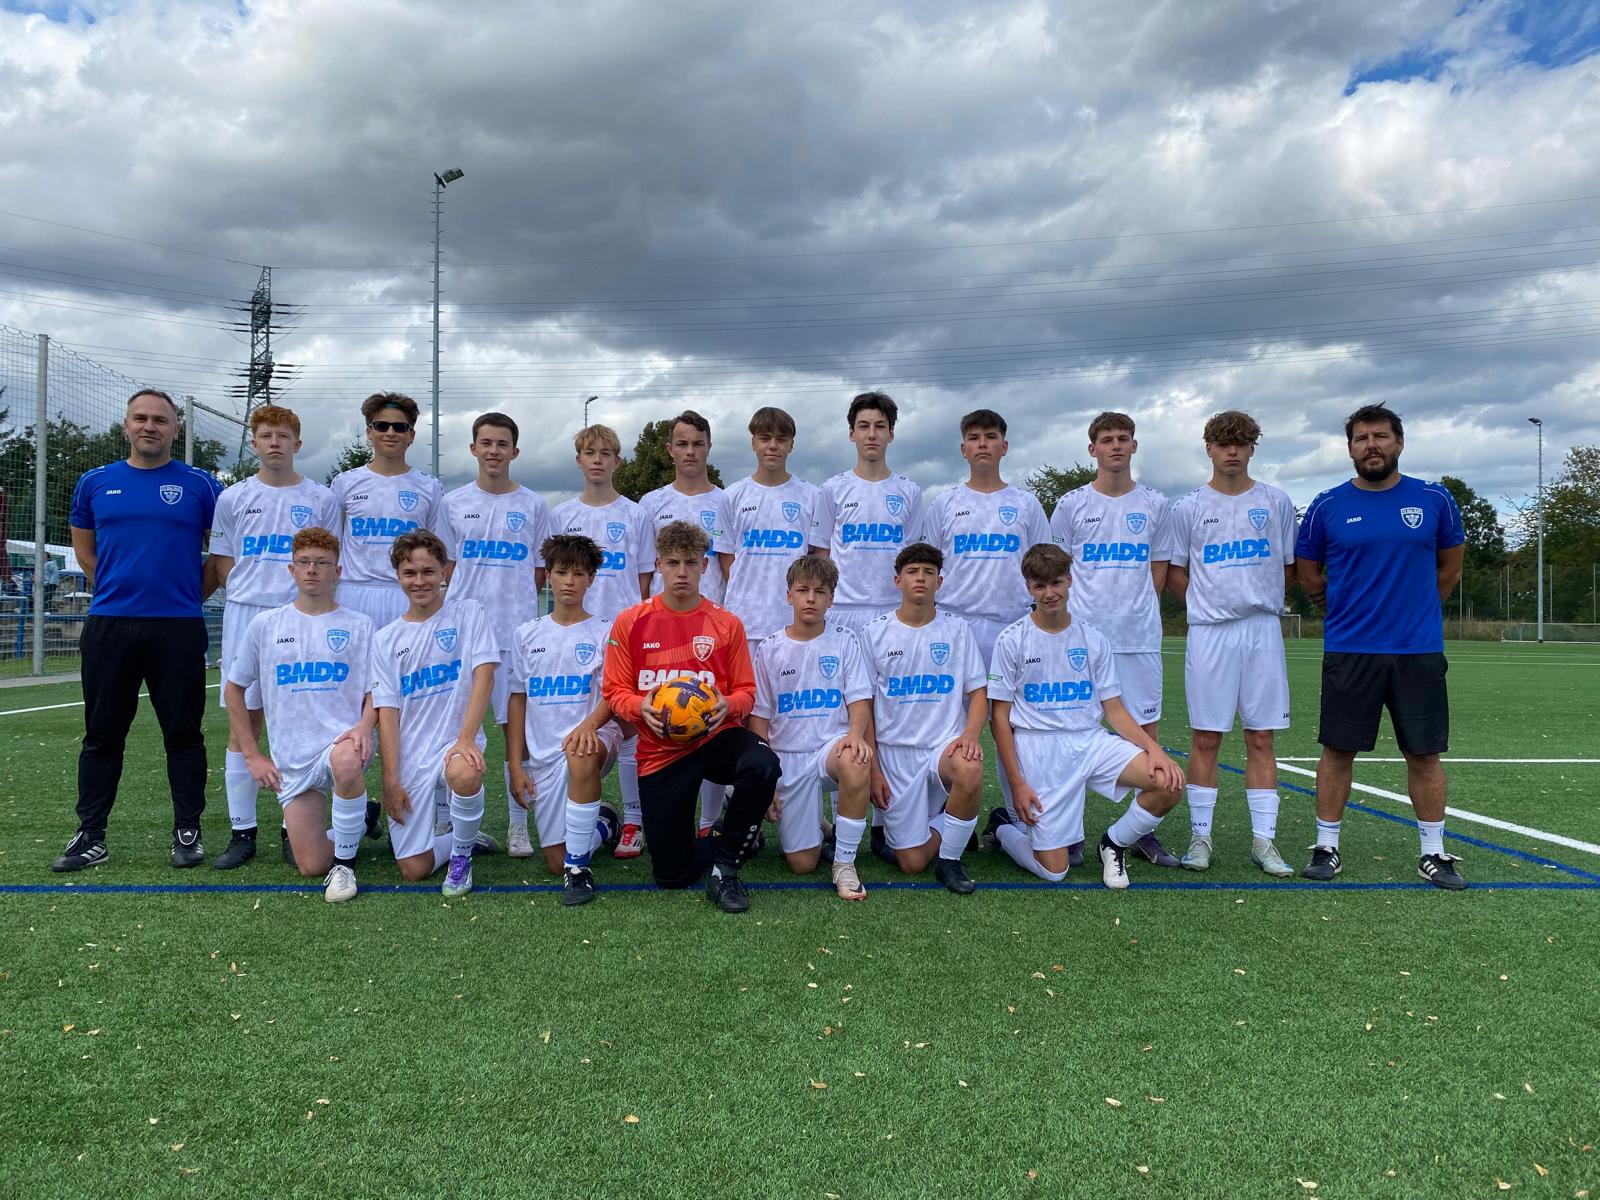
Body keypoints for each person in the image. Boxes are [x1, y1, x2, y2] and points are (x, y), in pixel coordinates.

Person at [1295, 404, 1467, 889]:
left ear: (1399, 443)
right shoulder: (1327, 505)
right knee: (1337, 750)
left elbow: (1450, 568)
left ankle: (1433, 852)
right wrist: (1334, 607)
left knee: (1424, 754)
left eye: (1381, 436)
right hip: (1351, 649)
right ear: (1350, 448)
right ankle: (1326, 847)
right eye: (1361, 438)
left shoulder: (1434, 499)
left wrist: (1417, 610)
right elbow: (1308, 572)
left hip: (1418, 650)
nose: (1371, 445)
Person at [53, 388, 224, 872]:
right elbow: (85, 551)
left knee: (184, 734)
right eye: (141, 418)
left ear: (175, 429)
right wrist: (114, 590)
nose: (150, 426)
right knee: (101, 735)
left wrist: (189, 597)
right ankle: (91, 835)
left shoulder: (201, 484)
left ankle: (187, 830)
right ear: (126, 425)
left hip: (178, 627)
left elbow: (221, 554)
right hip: (110, 625)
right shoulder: (94, 482)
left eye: (160, 420)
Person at [598, 520, 780, 914]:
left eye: (691, 563)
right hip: (661, 751)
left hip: (716, 737)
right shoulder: (630, 622)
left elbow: (747, 692)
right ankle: (734, 834)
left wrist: (727, 705)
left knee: (763, 763)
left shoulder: (726, 623)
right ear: (658, 565)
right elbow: (614, 691)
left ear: (705, 566)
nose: (682, 572)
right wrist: (640, 708)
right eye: (673, 563)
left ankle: (726, 869)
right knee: (671, 874)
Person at [985, 545, 1187, 890]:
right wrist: (1017, 783)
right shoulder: (1011, 640)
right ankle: (1003, 826)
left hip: (1090, 741)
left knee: (1169, 782)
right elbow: (999, 718)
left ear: (1069, 580)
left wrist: (1155, 750)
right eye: (1040, 586)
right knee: (1054, 870)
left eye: (1056, 583)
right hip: (1038, 749)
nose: (1049, 593)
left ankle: (1113, 843)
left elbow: (1115, 710)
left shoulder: (1092, 638)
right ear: (1028, 587)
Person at [205, 404, 343, 870]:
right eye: (266, 435)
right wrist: (253, 592)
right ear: (254, 443)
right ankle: (242, 832)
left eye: (283, 436)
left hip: (301, 618)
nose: (275, 443)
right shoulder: (233, 498)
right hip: (247, 615)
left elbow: (327, 557)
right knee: (243, 721)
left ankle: (293, 828)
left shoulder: (321, 497)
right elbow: (223, 562)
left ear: (297, 444)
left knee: (297, 720)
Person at [1167, 411, 1298, 878]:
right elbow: (1175, 572)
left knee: (1261, 736)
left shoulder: (1276, 501)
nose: (1232, 451)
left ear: (1252, 449)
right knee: (1206, 736)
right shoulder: (1187, 507)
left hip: (1261, 630)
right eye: (1223, 443)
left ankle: (1264, 842)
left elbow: (1287, 567)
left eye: (1241, 444)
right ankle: (1200, 838)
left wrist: (1254, 600)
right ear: (1209, 448)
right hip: (1210, 633)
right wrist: (1207, 603)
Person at [1049, 410, 1181, 869]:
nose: (1116, 446)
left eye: (1123, 438)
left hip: (1138, 638)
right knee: (1072, 731)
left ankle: (1138, 833)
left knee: (1146, 733)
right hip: (1081, 640)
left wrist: (1133, 610)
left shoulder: (1156, 504)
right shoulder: (1071, 505)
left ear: (1134, 446)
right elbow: (1057, 572)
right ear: (1093, 449)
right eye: (1107, 440)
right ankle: (1068, 833)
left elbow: (1158, 572)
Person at [222, 527, 376, 902]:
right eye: (304, 562)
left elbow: (377, 690)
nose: (312, 570)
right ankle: (362, 818)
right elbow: (234, 688)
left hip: (341, 745)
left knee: (345, 761)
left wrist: (363, 726)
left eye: (322, 563)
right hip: (294, 760)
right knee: (311, 864)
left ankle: (345, 868)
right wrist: (253, 756)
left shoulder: (360, 625)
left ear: (337, 572)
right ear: (291, 570)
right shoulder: (266, 625)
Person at [442, 412, 552, 857]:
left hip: (513, 633)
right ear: (473, 448)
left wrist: (515, 607)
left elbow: (540, 571)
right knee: (452, 728)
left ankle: (517, 827)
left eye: (502, 444)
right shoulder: (452, 503)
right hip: (463, 636)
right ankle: (448, 823)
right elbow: (448, 568)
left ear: (514, 451)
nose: (493, 451)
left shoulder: (534, 505)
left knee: (515, 734)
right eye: (485, 443)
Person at [370, 530, 499, 896]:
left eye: (428, 571)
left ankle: (461, 858)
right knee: (414, 869)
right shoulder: (385, 639)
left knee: (464, 771)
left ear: (444, 571)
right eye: (409, 573)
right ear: (398, 576)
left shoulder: (469, 613)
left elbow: (485, 675)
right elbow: (387, 713)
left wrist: (466, 738)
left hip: (454, 742)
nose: (419, 581)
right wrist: (390, 780)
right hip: (411, 754)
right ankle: (464, 838)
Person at [546, 424, 654, 858]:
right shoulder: (561, 514)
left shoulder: (636, 514)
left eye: (605, 453)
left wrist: (628, 623)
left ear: (617, 461)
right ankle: (586, 807)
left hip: (623, 632)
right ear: (578, 460)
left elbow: (643, 578)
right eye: (589, 453)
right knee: (580, 715)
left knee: (628, 724)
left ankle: (633, 821)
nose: (597, 460)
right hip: (578, 630)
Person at [858, 542, 987, 895]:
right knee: (911, 863)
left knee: (970, 768)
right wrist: (874, 770)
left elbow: (978, 693)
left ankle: (950, 859)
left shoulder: (957, 630)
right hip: (896, 754)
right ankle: (950, 821)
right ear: (897, 580)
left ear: (939, 582)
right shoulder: (874, 632)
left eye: (929, 573)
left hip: (943, 746)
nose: (921, 578)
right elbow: (864, 705)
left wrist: (970, 736)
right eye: (913, 572)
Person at [748, 555, 876, 900]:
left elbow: (859, 699)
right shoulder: (770, 648)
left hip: (829, 748)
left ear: (831, 599)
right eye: (803, 590)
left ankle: (845, 864)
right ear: (789, 595)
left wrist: (855, 735)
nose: (810, 598)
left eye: (820, 592)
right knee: (802, 863)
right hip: (787, 758)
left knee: (855, 758)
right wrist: (765, 778)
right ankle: (816, 823)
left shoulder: (845, 640)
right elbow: (759, 718)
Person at [504, 534, 623, 899]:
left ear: (591, 579)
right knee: (554, 860)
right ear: (548, 576)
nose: (569, 581)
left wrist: (588, 726)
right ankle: (605, 823)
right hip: (545, 754)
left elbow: (612, 695)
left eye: (578, 573)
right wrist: (516, 765)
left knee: (580, 751)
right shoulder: (526, 634)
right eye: (561, 572)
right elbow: (518, 700)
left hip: (595, 736)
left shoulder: (606, 631)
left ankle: (579, 870)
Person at [639, 410, 736, 834]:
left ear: (709, 447)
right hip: (664, 628)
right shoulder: (651, 504)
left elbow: (731, 567)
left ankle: (709, 821)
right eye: (682, 444)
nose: (690, 451)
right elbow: (646, 571)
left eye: (698, 443)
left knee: (709, 714)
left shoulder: (726, 501)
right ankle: (640, 818)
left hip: (711, 628)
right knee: (663, 715)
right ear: (670, 449)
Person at [921, 409, 1050, 665]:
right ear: (963, 449)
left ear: (1004, 447)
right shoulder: (943, 504)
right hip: (953, 624)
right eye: (974, 437)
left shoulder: (1027, 503)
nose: (982, 444)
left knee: (1009, 693)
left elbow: (1045, 566)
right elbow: (926, 566)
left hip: (1014, 623)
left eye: (991, 436)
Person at [331, 392, 451, 631]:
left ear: (411, 435)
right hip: (354, 592)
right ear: (369, 432)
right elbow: (333, 542)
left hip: (407, 593)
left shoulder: (430, 486)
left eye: (399, 427)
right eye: (382, 426)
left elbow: (436, 548)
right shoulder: (344, 483)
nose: (390, 432)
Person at [809, 392, 927, 633]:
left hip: (894, 608)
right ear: (852, 433)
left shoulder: (910, 491)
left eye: (880, 426)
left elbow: (912, 556)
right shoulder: (832, 488)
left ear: (890, 434)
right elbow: (821, 553)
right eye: (864, 426)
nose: (872, 434)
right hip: (841, 609)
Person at [717, 406, 822, 659]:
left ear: (791, 445)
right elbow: (727, 560)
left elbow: (818, 556)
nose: (773, 446)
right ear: (753, 442)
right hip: (746, 621)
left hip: (795, 622)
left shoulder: (812, 496)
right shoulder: (732, 496)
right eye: (765, 438)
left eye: (781, 439)